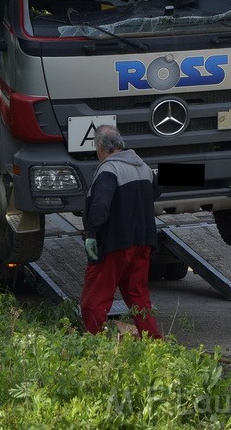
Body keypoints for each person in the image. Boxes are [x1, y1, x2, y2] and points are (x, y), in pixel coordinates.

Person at [79, 124, 163, 339]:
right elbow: (156, 190)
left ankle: (95, 343)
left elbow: (99, 207)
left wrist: (91, 234)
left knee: (94, 299)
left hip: (115, 243)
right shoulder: (143, 166)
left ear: (100, 148)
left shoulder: (109, 169)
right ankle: (154, 342)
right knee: (138, 295)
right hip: (143, 241)